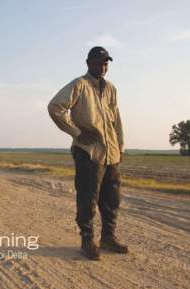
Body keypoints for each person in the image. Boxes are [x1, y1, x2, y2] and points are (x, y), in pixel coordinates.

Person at [47, 46, 129, 260]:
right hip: (88, 152)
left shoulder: (111, 88)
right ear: (88, 63)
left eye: (106, 63)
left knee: (112, 198)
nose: (102, 66)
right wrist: (76, 132)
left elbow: (116, 119)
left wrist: (120, 146)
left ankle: (108, 238)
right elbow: (55, 107)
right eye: (98, 62)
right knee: (88, 197)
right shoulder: (79, 85)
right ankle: (87, 241)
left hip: (110, 152)